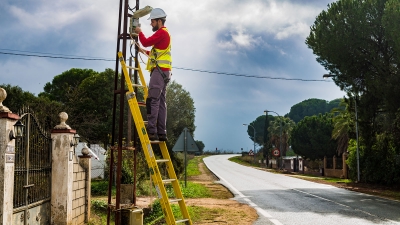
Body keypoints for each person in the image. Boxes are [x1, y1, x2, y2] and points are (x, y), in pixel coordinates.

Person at [135, 8, 171, 141]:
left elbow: (145, 41)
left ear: (159, 21)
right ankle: (162, 133)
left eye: (153, 21)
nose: (151, 24)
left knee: (152, 100)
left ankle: (152, 131)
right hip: (165, 72)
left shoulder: (162, 33)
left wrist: (139, 32)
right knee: (161, 102)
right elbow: (155, 54)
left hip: (159, 72)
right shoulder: (164, 35)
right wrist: (142, 51)